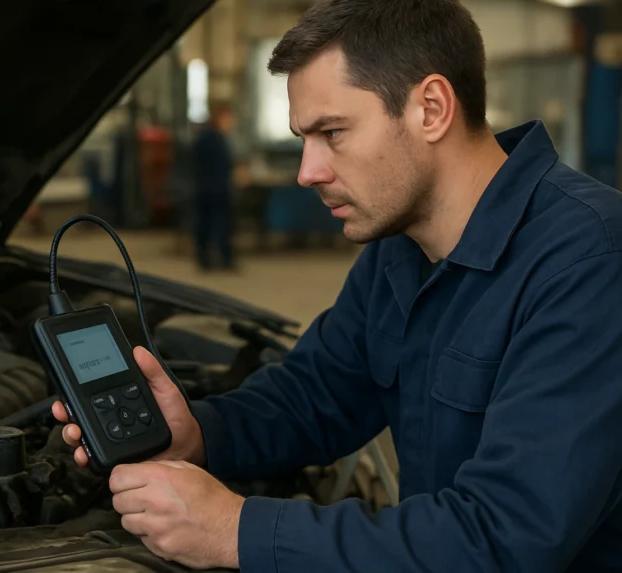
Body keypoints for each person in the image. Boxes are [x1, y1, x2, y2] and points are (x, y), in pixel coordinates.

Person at [52, 0, 622, 570]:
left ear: (431, 108)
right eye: (304, 138)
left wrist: (236, 529)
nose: (308, 172)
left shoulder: (589, 261)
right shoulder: (401, 246)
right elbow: (318, 395)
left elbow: (505, 536)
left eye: (332, 132)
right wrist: (199, 434)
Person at [191, 104, 236, 270]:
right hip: (213, 189)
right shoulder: (211, 139)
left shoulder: (215, 137)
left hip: (211, 188)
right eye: (228, 119)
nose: (231, 122)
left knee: (212, 224)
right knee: (216, 224)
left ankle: (212, 259)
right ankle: (214, 259)